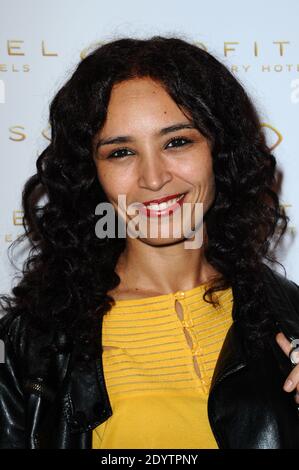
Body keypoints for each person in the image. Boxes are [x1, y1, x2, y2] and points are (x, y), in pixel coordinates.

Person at [0, 35, 299, 450]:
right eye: (121, 152)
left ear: (220, 151)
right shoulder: (32, 345)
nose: (154, 178)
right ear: (91, 172)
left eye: (177, 141)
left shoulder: (291, 316)